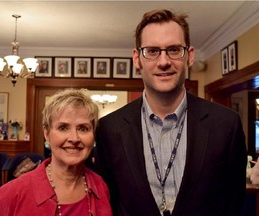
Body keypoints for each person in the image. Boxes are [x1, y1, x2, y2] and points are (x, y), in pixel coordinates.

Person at [95, 9, 247, 216]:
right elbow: (107, 203)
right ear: (137, 58)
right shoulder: (109, 129)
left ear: (190, 56)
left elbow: (234, 205)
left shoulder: (226, 124)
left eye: (174, 50)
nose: (164, 61)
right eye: (152, 51)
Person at [0, 89, 112, 216]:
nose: (74, 138)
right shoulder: (10, 195)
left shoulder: (101, 187)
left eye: (83, 128)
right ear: (47, 133)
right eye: (63, 127)